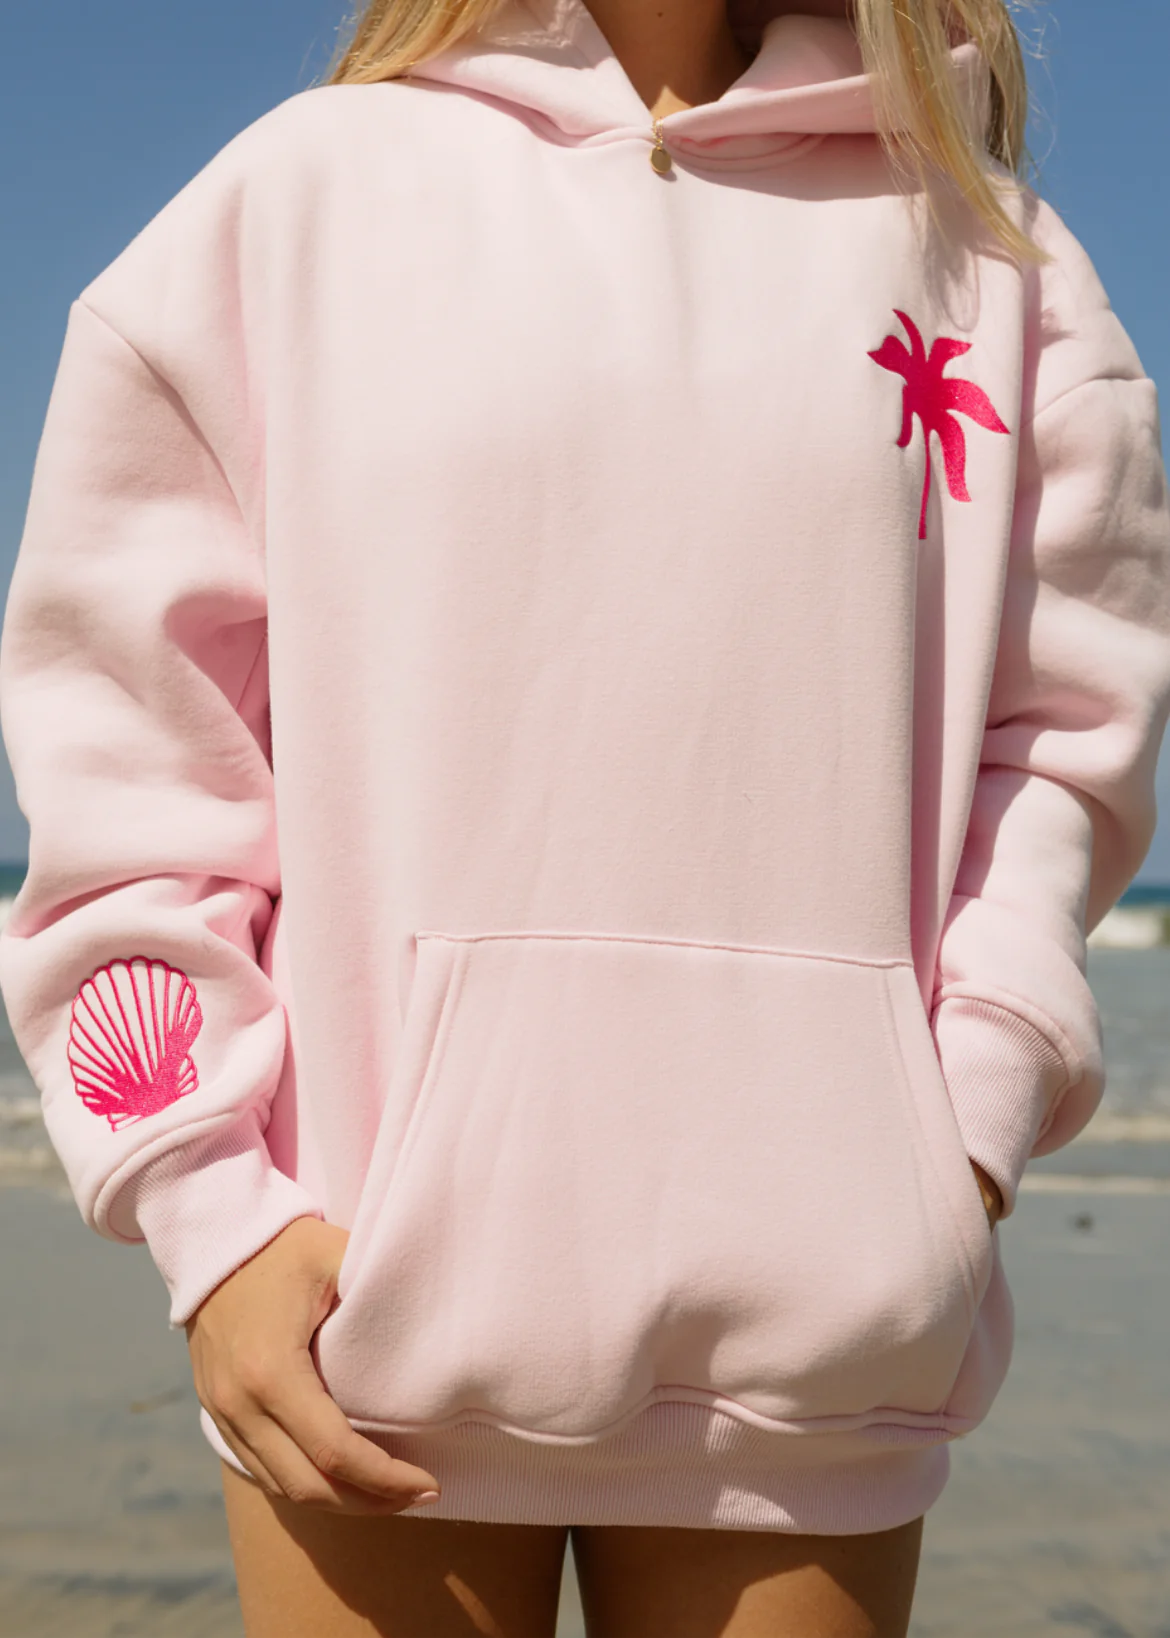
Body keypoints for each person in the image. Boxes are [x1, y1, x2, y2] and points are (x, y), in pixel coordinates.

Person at [3, 0, 1169, 1631]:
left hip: (821, 1338)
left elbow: (1063, 749)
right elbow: (131, 758)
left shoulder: (994, 265)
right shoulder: (291, 209)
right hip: (352, 1328)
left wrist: (954, 1142)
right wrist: (208, 1212)